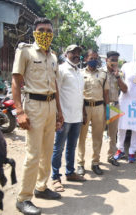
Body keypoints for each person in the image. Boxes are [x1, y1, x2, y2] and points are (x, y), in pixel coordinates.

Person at [12, 17, 63, 215]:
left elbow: (56, 85)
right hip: (33, 106)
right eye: (41, 30)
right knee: (33, 155)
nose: (45, 34)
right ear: (34, 32)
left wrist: (60, 112)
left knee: (47, 152)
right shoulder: (25, 51)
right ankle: (23, 198)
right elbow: (16, 81)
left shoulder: (53, 57)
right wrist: (19, 111)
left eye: (49, 31)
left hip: (51, 107)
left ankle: (41, 187)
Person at [51, 45, 86, 193]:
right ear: (66, 54)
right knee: (59, 148)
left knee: (72, 147)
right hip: (64, 117)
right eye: (73, 52)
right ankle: (55, 177)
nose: (77, 55)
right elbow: (55, 92)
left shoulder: (79, 72)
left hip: (77, 116)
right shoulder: (61, 69)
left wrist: (83, 112)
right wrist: (58, 114)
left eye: (78, 52)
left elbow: (80, 95)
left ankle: (70, 172)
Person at [77, 49, 109, 176]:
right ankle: (80, 164)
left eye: (95, 58)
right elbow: (78, 94)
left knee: (98, 136)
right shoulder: (79, 73)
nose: (93, 60)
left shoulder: (103, 74)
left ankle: (95, 162)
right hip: (84, 108)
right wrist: (81, 111)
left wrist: (107, 113)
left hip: (99, 107)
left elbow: (106, 93)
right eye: (91, 58)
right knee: (82, 137)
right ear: (85, 59)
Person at [105, 51, 128, 166]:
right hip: (102, 106)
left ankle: (111, 156)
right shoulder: (101, 72)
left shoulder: (119, 74)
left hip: (114, 105)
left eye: (116, 60)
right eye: (112, 59)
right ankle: (96, 159)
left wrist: (117, 76)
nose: (114, 62)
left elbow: (125, 89)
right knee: (98, 133)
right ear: (106, 60)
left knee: (113, 134)